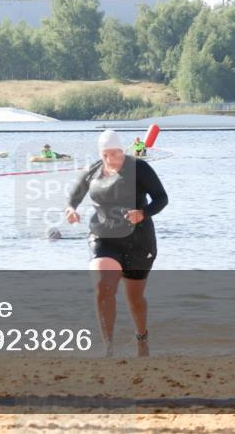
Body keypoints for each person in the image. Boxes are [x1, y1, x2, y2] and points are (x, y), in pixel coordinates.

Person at [65, 129, 168, 358]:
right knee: (103, 284)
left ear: (123, 151)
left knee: (135, 298)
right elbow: (75, 195)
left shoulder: (139, 168)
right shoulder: (93, 170)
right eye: (106, 154)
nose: (111, 158)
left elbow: (161, 198)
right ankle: (108, 348)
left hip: (138, 240)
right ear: (101, 154)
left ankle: (142, 339)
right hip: (103, 237)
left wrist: (143, 213)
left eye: (116, 153)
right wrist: (71, 209)